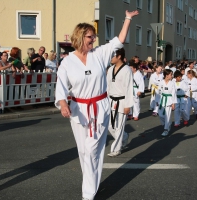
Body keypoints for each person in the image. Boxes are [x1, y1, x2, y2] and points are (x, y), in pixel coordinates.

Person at [55, 10, 139, 200]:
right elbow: (60, 86)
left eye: (94, 36)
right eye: (90, 36)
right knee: (84, 151)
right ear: (79, 37)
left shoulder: (99, 54)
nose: (93, 39)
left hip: (99, 107)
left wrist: (127, 18)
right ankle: (92, 184)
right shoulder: (67, 62)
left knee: (93, 149)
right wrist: (63, 104)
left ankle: (87, 194)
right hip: (78, 110)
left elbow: (119, 40)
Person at [107, 48, 133, 157]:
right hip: (111, 100)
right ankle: (124, 136)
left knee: (119, 126)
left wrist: (128, 105)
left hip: (122, 101)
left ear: (119, 56)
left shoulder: (127, 70)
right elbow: (107, 86)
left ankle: (116, 149)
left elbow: (129, 88)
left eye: (113, 55)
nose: (110, 58)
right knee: (110, 126)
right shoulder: (110, 69)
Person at [156, 69, 177, 136]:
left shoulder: (172, 83)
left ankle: (166, 129)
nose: (172, 76)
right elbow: (158, 92)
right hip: (162, 99)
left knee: (167, 116)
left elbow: (174, 93)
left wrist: (173, 103)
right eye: (171, 74)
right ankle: (168, 124)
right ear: (167, 75)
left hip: (169, 100)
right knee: (160, 115)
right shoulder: (161, 82)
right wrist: (157, 101)